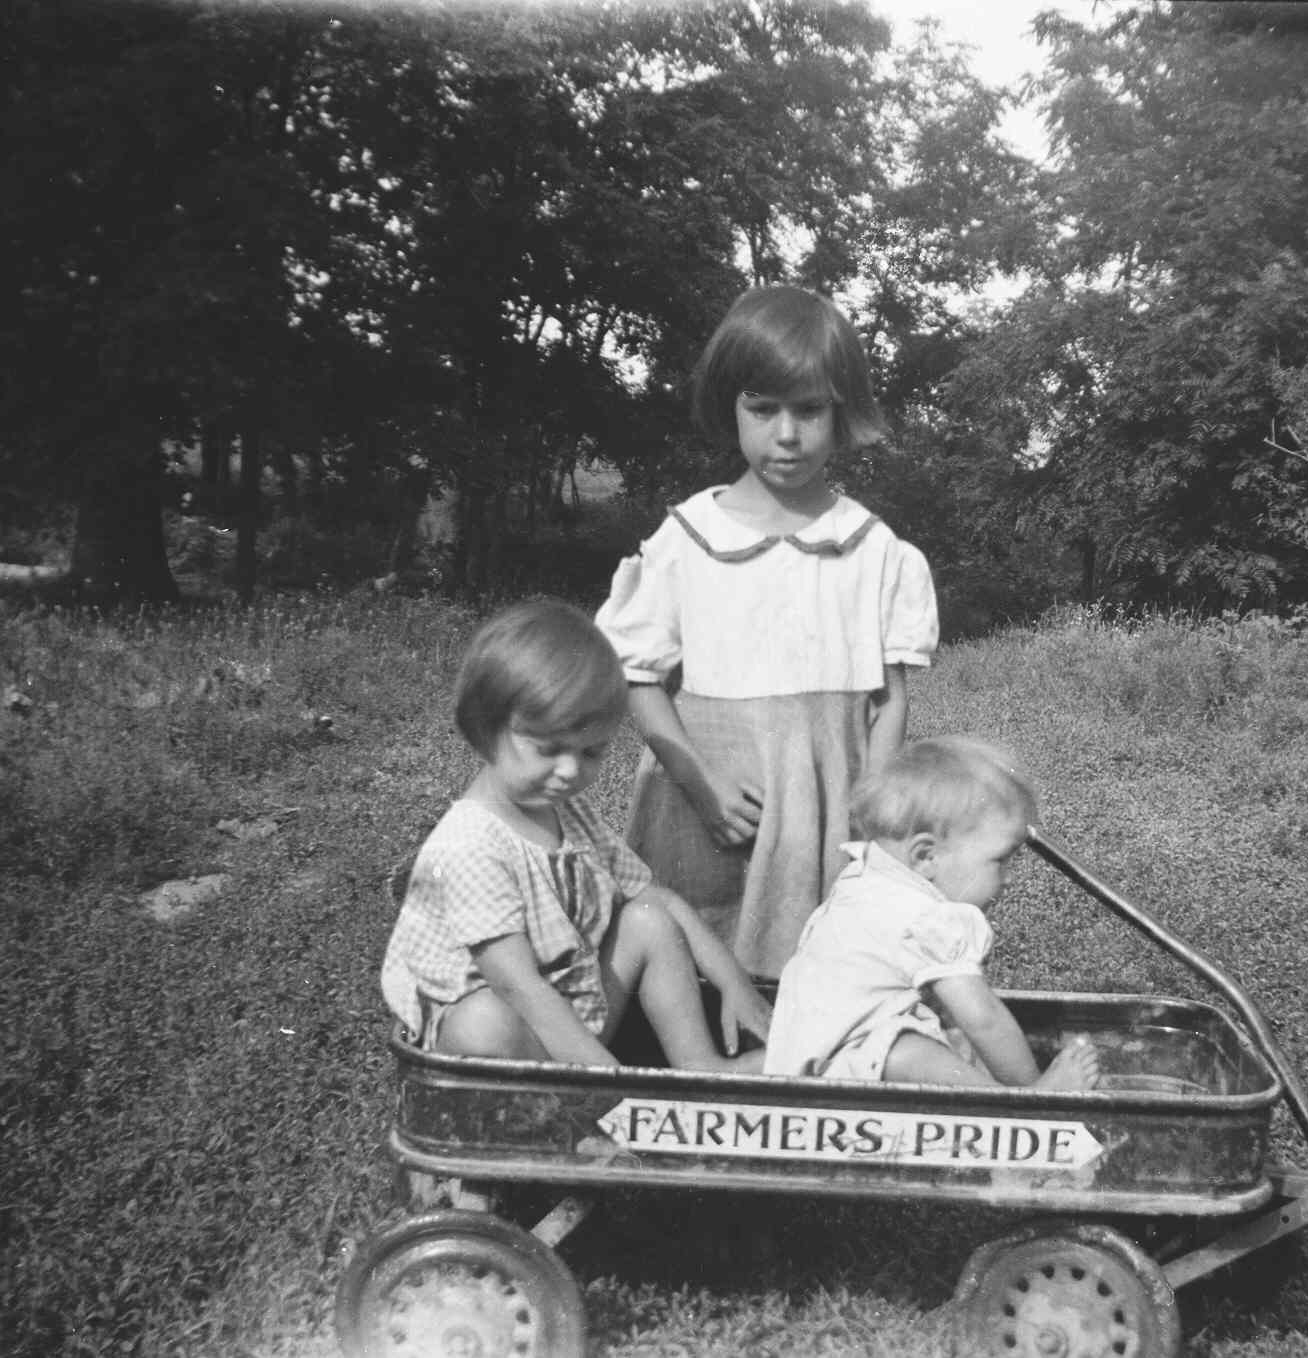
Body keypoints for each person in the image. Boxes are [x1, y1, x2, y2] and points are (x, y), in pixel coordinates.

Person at [596, 284, 939, 979]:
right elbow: (638, 677)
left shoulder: (869, 547)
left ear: (841, 412)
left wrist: (870, 817)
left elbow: (887, 700)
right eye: (763, 408)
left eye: (808, 410)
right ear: (732, 406)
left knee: (822, 970)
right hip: (710, 806)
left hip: (826, 811)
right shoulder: (690, 537)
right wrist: (701, 784)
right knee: (693, 967)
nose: (786, 434)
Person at [380, 599, 771, 1072]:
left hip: (575, 1018)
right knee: (480, 1021)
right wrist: (614, 1091)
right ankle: (587, 1107)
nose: (569, 771)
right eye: (549, 749)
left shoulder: (566, 811)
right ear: (485, 729)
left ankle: (701, 1068)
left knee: (648, 919)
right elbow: (520, 988)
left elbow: (657, 898)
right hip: (510, 1048)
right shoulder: (471, 847)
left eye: (591, 753)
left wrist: (734, 982)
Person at [763, 736, 1100, 1090]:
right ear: (926, 857)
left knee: (929, 1038)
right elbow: (984, 1019)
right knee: (909, 1054)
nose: (1010, 878)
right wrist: (1035, 1087)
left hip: (802, 1058)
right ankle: (1023, 1106)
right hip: (839, 1075)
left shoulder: (867, 876)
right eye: (1000, 860)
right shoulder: (926, 919)